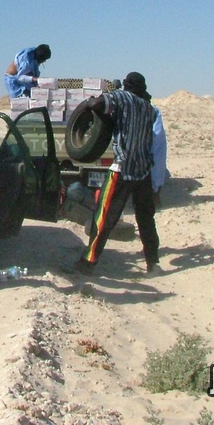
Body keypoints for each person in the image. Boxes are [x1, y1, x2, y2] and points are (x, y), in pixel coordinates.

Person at [66, 71, 163, 276]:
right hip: (143, 170)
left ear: (127, 86)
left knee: (104, 217)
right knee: (146, 218)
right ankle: (153, 263)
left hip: (122, 169)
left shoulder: (121, 97)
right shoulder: (150, 109)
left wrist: (91, 102)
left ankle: (88, 262)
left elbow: (95, 106)